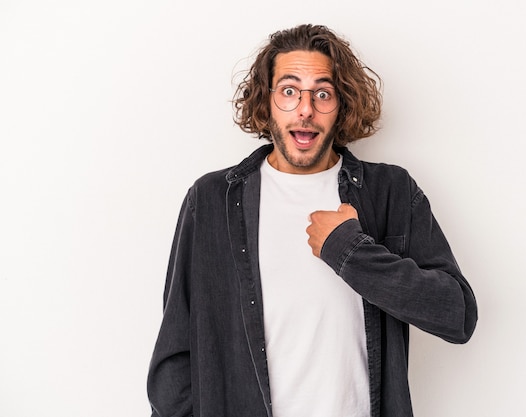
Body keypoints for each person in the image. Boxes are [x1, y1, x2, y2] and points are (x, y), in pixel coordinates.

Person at [147, 24, 478, 417]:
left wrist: (350, 252)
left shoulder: (389, 191)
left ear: (342, 104)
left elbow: (456, 316)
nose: (305, 109)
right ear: (265, 102)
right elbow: (174, 360)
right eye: (289, 91)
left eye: (322, 93)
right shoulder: (212, 200)